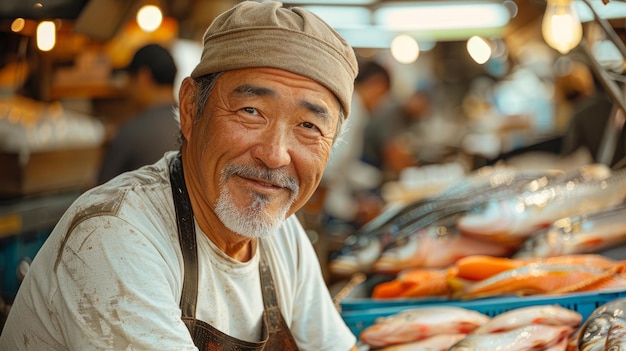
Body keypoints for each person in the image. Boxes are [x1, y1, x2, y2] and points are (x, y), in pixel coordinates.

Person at [0, 2, 359, 350]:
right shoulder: (114, 234)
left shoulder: (282, 235)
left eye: (309, 126)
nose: (275, 154)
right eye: (251, 111)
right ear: (190, 109)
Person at [321, 60, 391, 227]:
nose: (381, 103)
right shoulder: (353, 110)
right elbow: (329, 170)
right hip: (328, 208)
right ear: (376, 84)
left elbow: (344, 165)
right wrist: (350, 209)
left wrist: (374, 179)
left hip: (335, 201)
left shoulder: (355, 107)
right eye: (383, 95)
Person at [97, 43, 180, 184]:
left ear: (143, 76)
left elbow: (98, 195)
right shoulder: (195, 124)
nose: (128, 87)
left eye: (130, 79)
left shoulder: (132, 132)